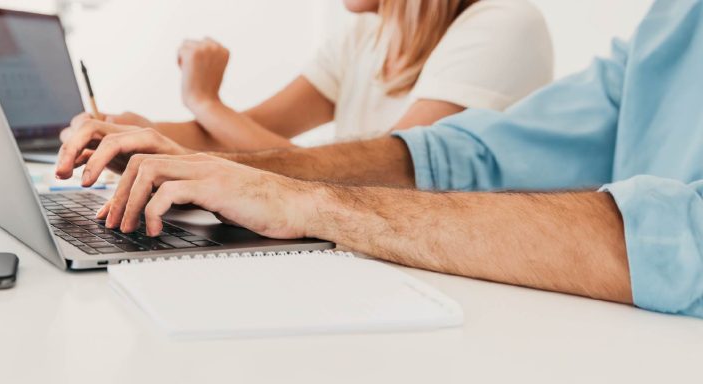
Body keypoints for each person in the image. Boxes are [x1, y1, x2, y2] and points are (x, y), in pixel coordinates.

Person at [55, 0, 703, 318]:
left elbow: (682, 241)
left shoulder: (504, 24)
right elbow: (460, 157)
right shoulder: (672, 21)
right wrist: (162, 145)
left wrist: (310, 201)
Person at [70, 0, 553, 152]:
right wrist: (136, 133)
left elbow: (384, 176)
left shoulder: (503, 25)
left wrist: (206, 102)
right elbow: (241, 138)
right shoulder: (363, 35)